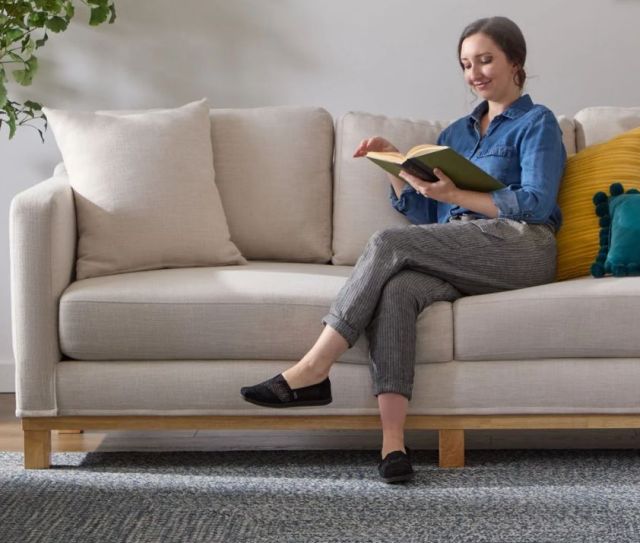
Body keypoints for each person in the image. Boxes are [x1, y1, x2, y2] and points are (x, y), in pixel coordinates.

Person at [240, 15, 566, 484]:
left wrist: (455, 196)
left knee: (385, 243)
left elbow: (535, 204)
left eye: (485, 60)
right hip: (462, 247)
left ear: (516, 61)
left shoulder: (537, 122)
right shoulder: (456, 133)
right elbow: (426, 217)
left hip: (520, 246)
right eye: (465, 64)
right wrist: (394, 163)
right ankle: (393, 444)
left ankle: (314, 367)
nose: (474, 73)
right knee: (399, 291)